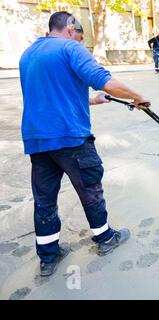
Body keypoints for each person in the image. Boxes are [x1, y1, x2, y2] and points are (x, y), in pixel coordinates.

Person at [19, 11, 150, 277]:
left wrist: (93, 100)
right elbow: (106, 81)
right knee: (90, 188)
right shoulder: (70, 48)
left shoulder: (28, 54)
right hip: (70, 138)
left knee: (44, 200)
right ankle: (105, 238)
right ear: (69, 28)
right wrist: (138, 97)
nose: (80, 40)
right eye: (80, 35)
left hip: (38, 140)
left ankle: (48, 256)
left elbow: (52, 96)